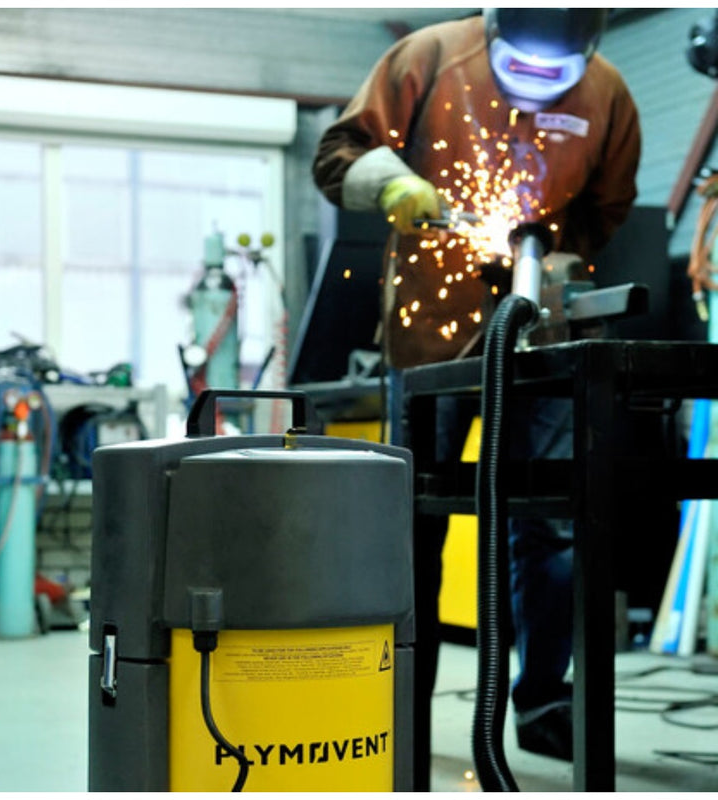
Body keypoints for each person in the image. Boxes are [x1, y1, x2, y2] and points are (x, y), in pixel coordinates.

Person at [312, 8, 641, 788]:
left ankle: (541, 704)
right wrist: (388, 179)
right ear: (493, 32)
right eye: (518, 67)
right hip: (434, 340)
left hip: (542, 341)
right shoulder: (428, 55)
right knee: (413, 527)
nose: (535, 86)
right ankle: (400, 705)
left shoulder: (610, 92)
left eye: (554, 77)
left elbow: (607, 205)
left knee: (551, 526)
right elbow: (337, 155)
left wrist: (561, 258)